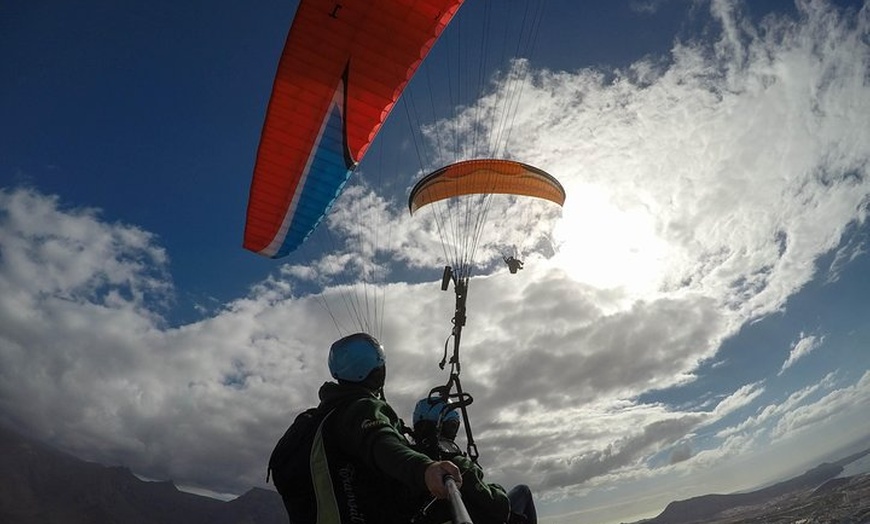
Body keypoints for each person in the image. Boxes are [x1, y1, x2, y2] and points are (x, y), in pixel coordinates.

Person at [309, 332, 463, 524]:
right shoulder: (363, 408)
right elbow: (382, 443)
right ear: (378, 372)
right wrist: (425, 468)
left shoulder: (324, 415)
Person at [412, 397, 538, 524]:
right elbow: (496, 507)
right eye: (453, 425)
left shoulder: (412, 461)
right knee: (523, 491)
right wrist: (496, 488)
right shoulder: (455, 464)